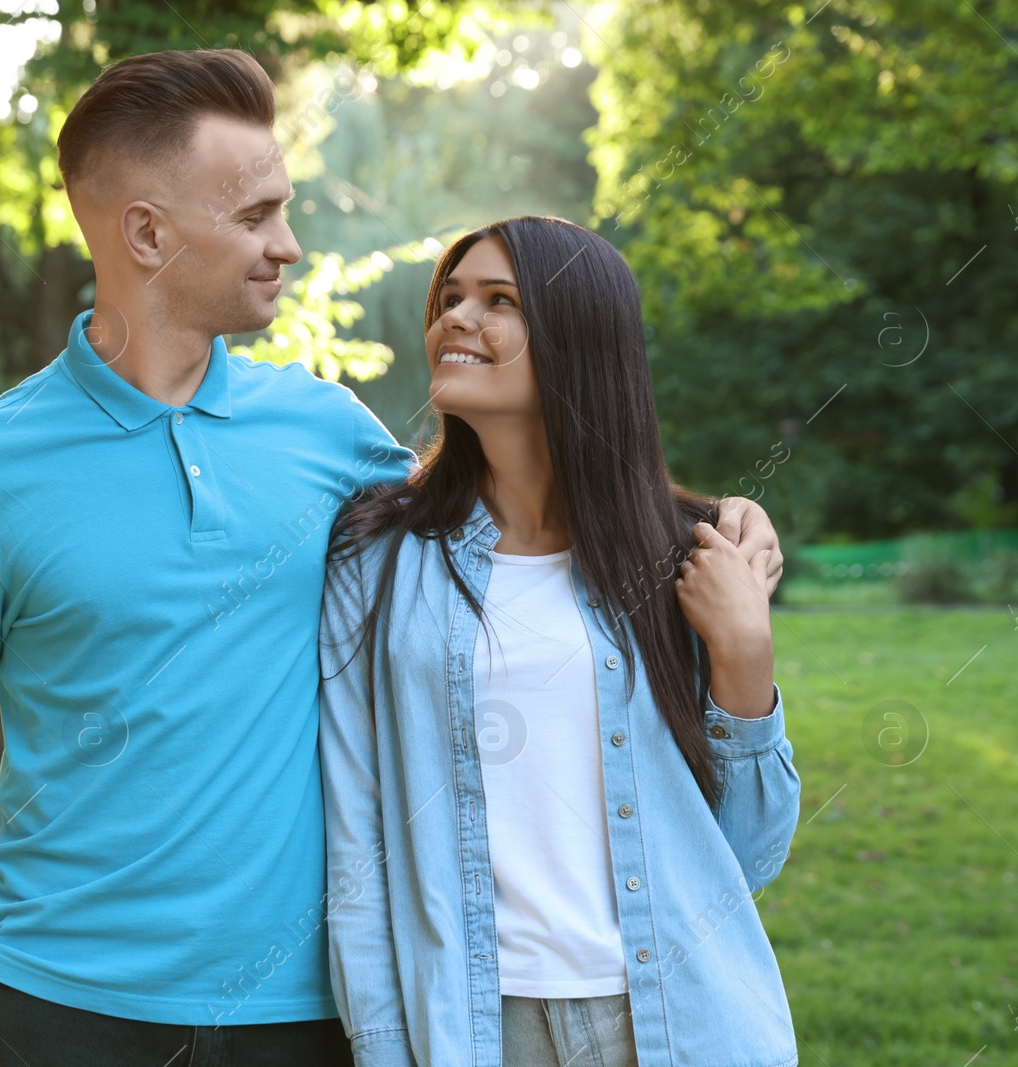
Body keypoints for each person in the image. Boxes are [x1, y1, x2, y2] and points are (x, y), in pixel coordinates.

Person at [0, 50, 783, 1067]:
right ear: (146, 231)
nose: (290, 245)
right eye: (257, 215)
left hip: (308, 1017)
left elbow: (513, 505)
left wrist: (719, 520)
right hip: (57, 1004)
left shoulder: (327, 434)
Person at [318, 217, 801, 1067]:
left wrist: (743, 659)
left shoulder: (688, 553)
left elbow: (748, 858)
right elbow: (357, 835)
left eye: (498, 300)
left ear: (578, 338)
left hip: (677, 1024)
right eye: (450, 297)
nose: (455, 318)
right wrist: (384, 1044)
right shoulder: (380, 557)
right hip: (476, 1029)